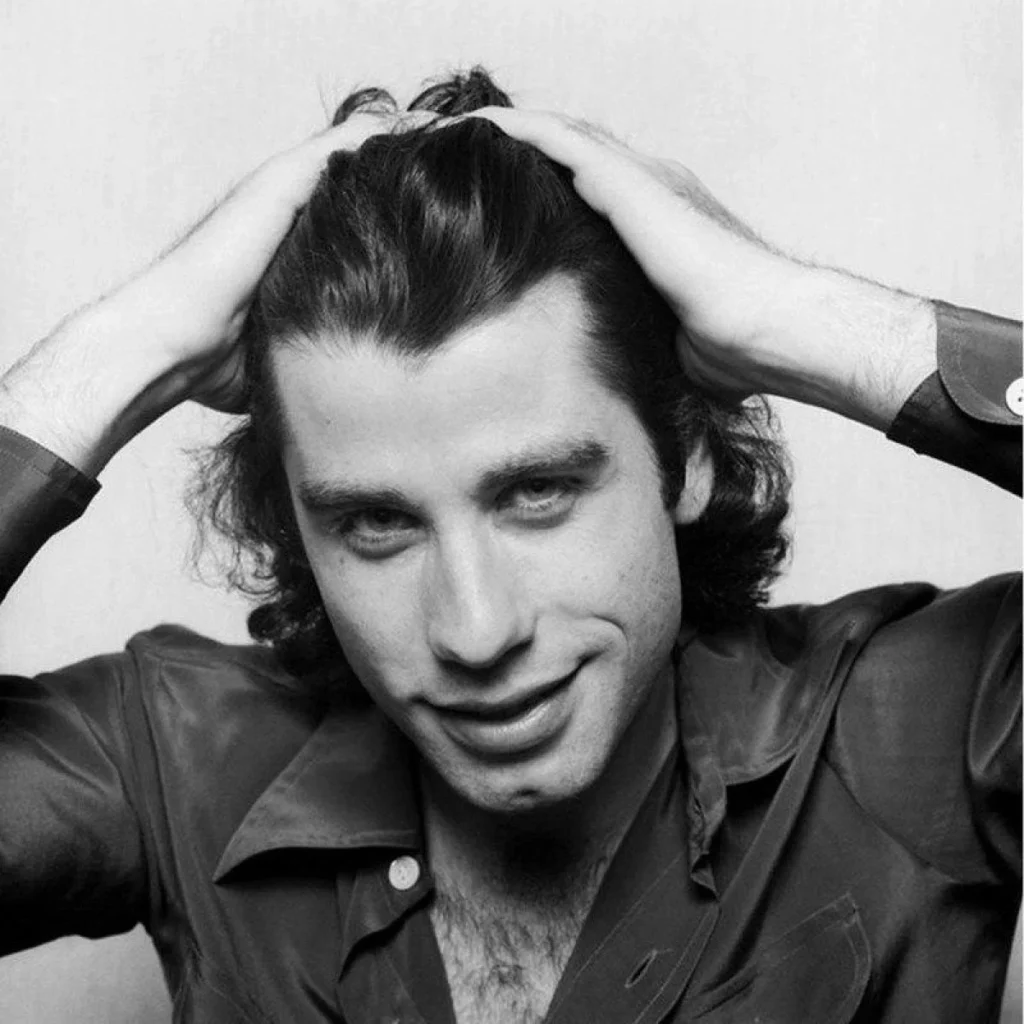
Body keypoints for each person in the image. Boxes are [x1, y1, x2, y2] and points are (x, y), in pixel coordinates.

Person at [0, 68, 1019, 1024]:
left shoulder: (919, 734)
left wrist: (800, 315)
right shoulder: (173, 758)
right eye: (377, 523)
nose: (476, 630)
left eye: (538, 493)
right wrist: (119, 352)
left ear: (689, 454)